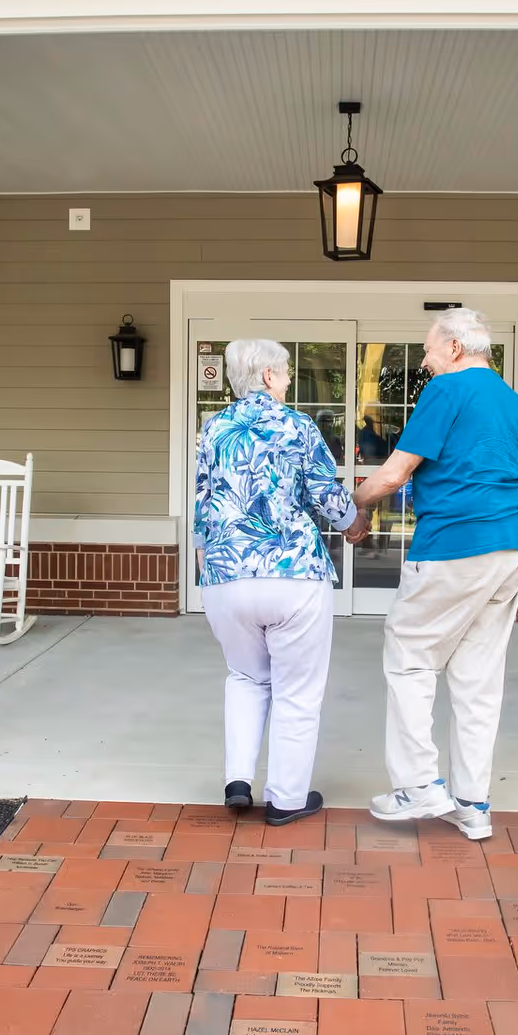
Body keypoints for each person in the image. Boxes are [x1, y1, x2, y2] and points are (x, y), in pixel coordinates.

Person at [352, 308, 518, 840]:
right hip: (513, 544)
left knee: (409, 654)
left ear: (454, 347)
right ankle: (473, 804)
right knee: (478, 675)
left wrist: (354, 505)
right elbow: (513, 472)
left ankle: (416, 784)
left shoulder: (447, 390)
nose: (426, 360)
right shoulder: (510, 399)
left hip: (456, 542)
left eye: (429, 350)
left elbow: (395, 472)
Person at [193, 339, 371, 826]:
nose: (289, 380)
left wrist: (208, 566)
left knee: (246, 677)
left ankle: (237, 782)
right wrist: (354, 523)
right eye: (287, 372)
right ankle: (287, 799)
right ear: (268, 375)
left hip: (226, 577)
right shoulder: (296, 425)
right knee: (296, 690)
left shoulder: (214, 429)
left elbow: (202, 503)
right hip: (293, 575)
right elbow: (324, 492)